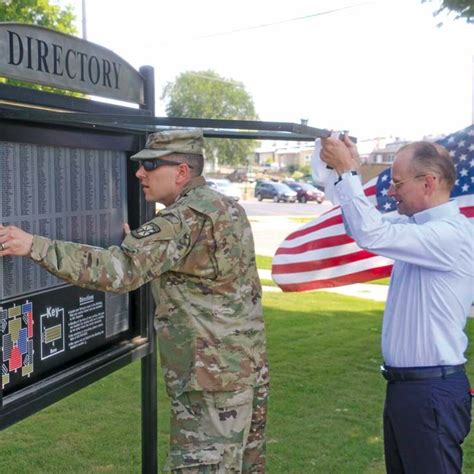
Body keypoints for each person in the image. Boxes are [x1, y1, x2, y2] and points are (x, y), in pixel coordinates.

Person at [0, 129, 269, 473]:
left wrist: (33, 245)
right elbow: (201, 272)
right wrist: (146, 251)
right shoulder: (224, 207)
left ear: (182, 171)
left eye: (151, 165)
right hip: (245, 370)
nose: (139, 173)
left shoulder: (181, 219)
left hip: (211, 383)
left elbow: (120, 271)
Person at [320, 135, 474, 474]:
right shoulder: (417, 228)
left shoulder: (449, 234)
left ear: (428, 182)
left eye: (397, 183)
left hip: (430, 391)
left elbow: (370, 233)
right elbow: (356, 223)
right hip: (411, 390)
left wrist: (348, 172)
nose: (390, 191)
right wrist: (344, 172)